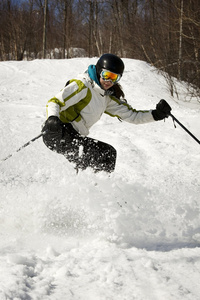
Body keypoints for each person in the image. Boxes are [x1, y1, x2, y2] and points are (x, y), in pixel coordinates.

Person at [42, 53, 171, 173]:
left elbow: (132, 116)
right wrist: (52, 119)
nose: (109, 81)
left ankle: (88, 191)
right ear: (99, 71)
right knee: (106, 154)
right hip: (57, 132)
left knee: (101, 157)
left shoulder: (106, 96)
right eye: (106, 75)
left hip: (73, 135)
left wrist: (156, 114)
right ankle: (96, 191)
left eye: (114, 78)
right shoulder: (83, 85)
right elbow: (54, 102)